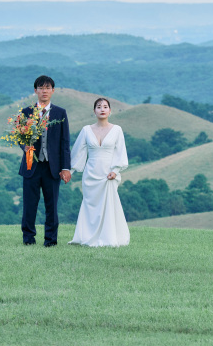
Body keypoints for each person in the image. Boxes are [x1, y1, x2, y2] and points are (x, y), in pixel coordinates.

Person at [68, 97, 130, 247]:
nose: (102, 109)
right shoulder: (86, 130)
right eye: (99, 107)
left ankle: (108, 237)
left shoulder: (117, 130)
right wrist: (69, 171)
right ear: (94, 111)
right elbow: (77, 152)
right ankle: (86, 236)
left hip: (108, 174)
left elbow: (121, 152)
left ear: (110, 111)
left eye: (105, 107)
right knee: (90, 205)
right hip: (91, 173)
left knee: (108, 205)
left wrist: (115, 170)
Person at [19, 75, 71, 246]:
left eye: (47, 88)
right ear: (35, 91)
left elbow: (65, 142)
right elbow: (20, 136)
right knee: (29, 205)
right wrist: (24, 146)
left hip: (52, 167)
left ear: (53, 91)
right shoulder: (26, 112)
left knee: (52, 206)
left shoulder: (60, 113)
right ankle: (28, 239)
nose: (44, 91)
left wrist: (65, 167)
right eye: (41, 88)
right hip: (31, 165)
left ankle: (50, 240)